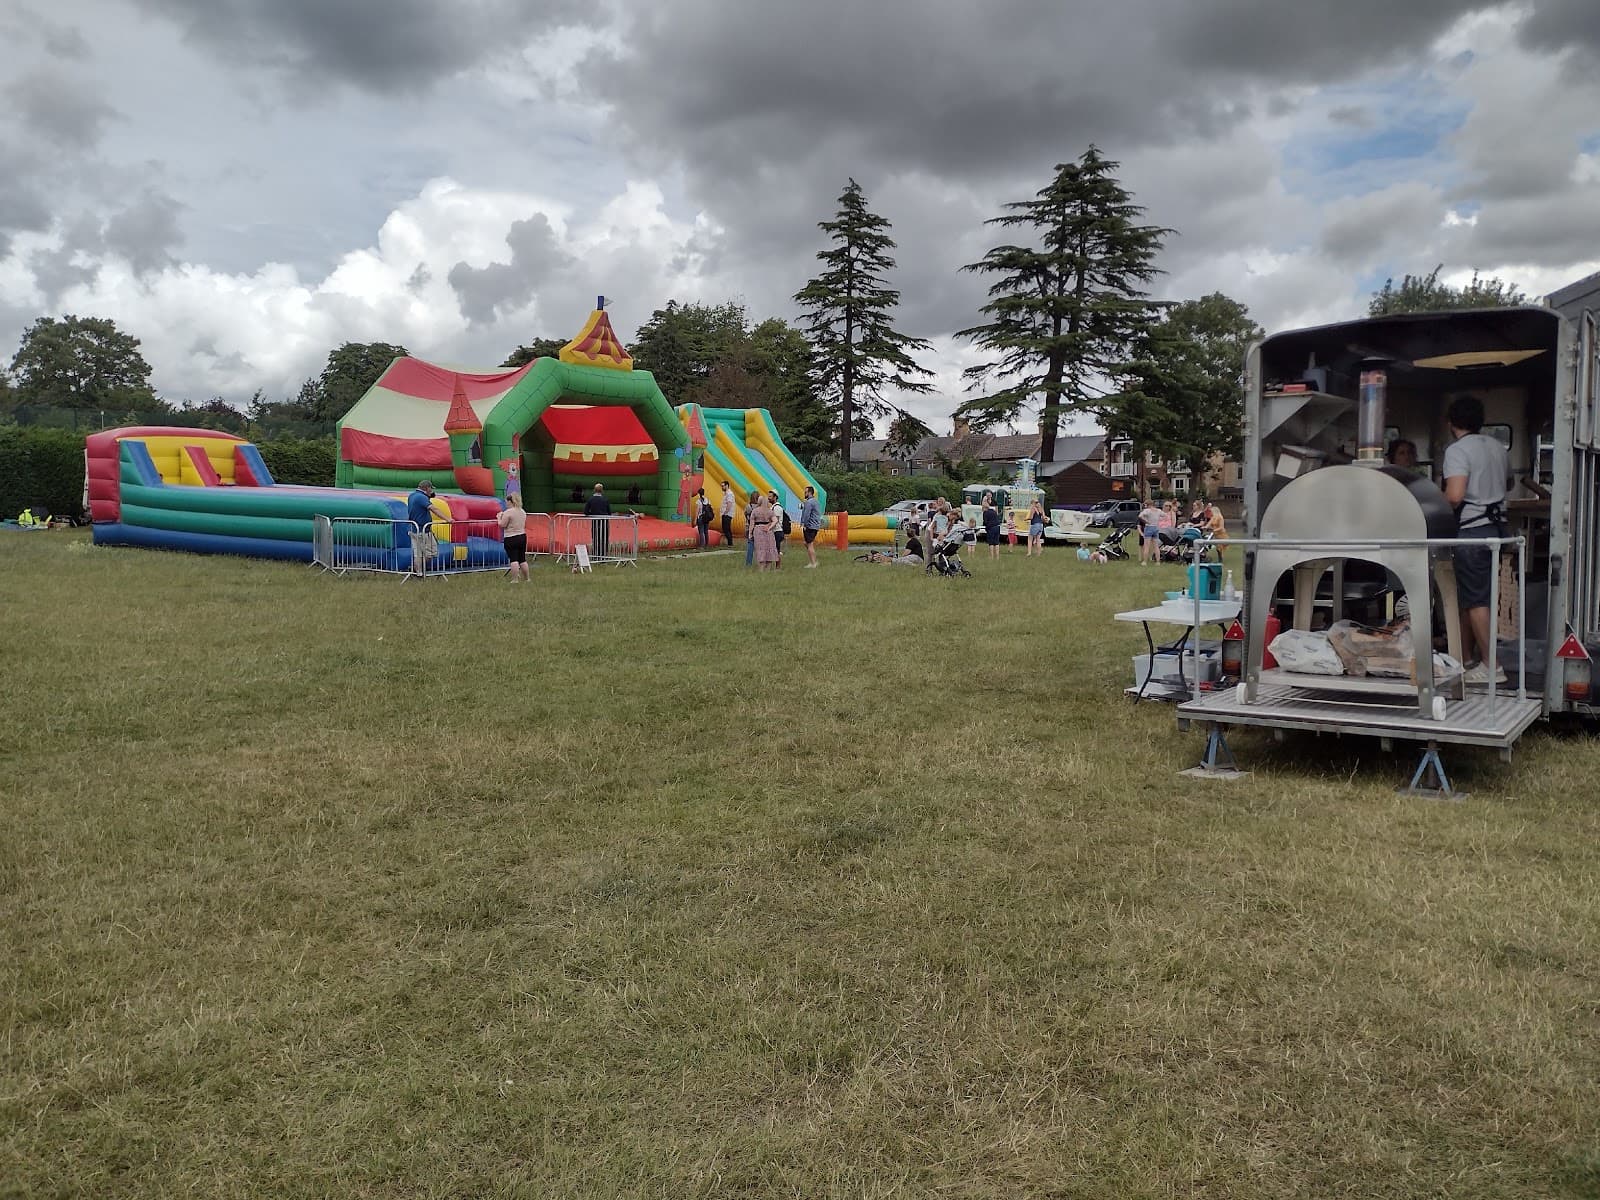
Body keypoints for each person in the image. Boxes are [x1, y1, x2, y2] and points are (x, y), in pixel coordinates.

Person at [1443, 393, 1512, 684]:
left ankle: (1491, 666)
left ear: (1451, 423)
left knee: (1475, 600)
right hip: (1497, 529)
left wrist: (1438, 502)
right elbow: (1508, 483)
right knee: (1473, 596)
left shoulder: (1458, 450)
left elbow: (1455, 495)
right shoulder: (1498, 446)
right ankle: (1465, 658)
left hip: (1471, 530)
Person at [497, 493, 530, 582]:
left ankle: (515, 579)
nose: (506, 504)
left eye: (507, 502)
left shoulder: (508, 512)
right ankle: (527, 578)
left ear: (510, 502)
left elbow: (502, 524)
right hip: (522, 536)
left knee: (513, 559)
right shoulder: (522, 511)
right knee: (522, 559)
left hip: (511, 537)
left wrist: (499, 517)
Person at [751, 492, 778, 571]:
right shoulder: (769, 511)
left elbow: (752, 523)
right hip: (768, 531)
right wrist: (769, 527)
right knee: (769, 548)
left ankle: (761, 569)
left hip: (758, 530)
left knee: (760, 549)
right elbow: (775, 520)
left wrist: (750, 533)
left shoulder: (755, 511)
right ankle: (768, 569)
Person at [584, 482, 611, 558]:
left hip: (595, 522)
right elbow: (609, 512)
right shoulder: (605, 500)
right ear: (602, 490)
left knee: (595, 539)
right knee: (604, 539)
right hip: (604, 522)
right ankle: (604, 555)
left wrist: (592, 513)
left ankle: (596, 555)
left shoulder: (590, 500)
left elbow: (586, 512)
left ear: (594, 490)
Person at [800, 485, 823, 568]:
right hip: (815, 525)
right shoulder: (815, 501)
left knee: (809, 544)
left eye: (805, 492)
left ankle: (813, 563)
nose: (804, 493)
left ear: (809, 492)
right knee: (807, 543)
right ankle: (813, 561)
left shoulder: (809, 502)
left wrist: (804, 524)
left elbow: (806, 514)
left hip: (810, 526)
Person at [1138, 500, 1161, 566]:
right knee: (1156, 546)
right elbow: (1164, 515)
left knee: (1146, 546)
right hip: (1155, 527)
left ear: (1148, 505)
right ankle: (1158, 562)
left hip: (1149, 527)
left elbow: (1140, 516)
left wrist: (1145, 522)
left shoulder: (1147, 510)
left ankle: (1145, 561)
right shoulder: (1158, 510)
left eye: (1145, 505)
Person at [768, 490, 787, 567]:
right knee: (775, 549)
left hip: (777, 531)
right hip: (775, 531)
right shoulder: (773, 507)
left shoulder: (777, 508)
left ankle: (778, 566)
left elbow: (775, 520)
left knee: (777, 550)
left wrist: (768, 528)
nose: (768, 498)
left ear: (775, 497)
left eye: (770, 496)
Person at [981, 492, 1002, 559]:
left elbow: (985, 522)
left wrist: (986, 528)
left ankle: (991, 556)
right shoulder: (993, 511)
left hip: (991, 528)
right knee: (997, 542)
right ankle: (997, 556)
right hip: (997, 527)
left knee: (991, 543)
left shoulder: (985, 513)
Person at [719, 480, 735, 547]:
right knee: (726, 528)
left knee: (726, 528)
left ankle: (730, 543)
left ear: (727, 486)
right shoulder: (726, 494)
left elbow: (729, 503)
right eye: (721, 486)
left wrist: (725, 512)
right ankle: (729, 542)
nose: (722, 487)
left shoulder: (729, 494)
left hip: (727, 514)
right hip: (726, 514)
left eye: (723, 486)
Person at [744, 490, 758, 567]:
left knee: (750, 546)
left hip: (749, 527)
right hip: (758, 528)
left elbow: (745, 514)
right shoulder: (759, 507)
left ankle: (748, 563)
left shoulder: (748, 506)